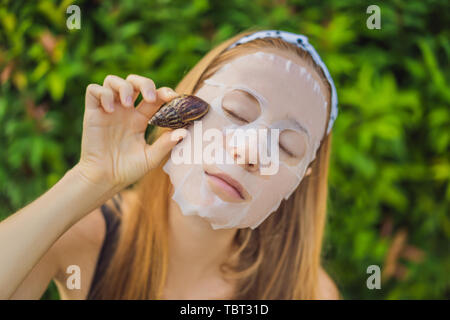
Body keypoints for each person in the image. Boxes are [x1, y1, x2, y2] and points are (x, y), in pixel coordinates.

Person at [1, 29, 340, 300]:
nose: (250, 153)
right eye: (236, 112)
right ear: (188, 99)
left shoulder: (309, 293)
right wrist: (90, 179)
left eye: (286, 146)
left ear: (301, 178)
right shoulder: (89, 237)